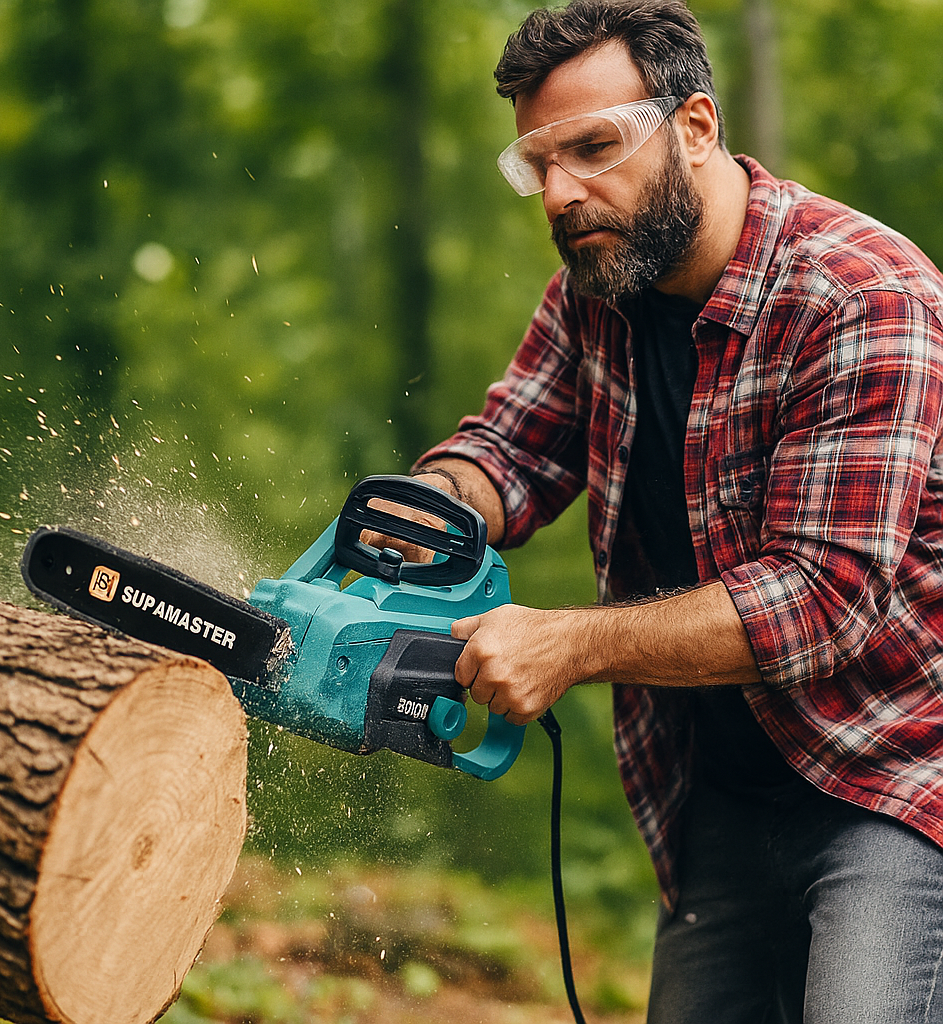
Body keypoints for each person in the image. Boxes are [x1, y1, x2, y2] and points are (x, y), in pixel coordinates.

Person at [377, 1, 943, 1021]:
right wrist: (428, 508)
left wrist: (570, 644)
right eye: (536, 164)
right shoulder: (601, 287)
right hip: (715, 795)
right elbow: (511, 450)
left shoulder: (858, 294)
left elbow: (819, 603)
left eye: (594, 147)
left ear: (694, 126)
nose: (560, 193)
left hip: (895, 781)